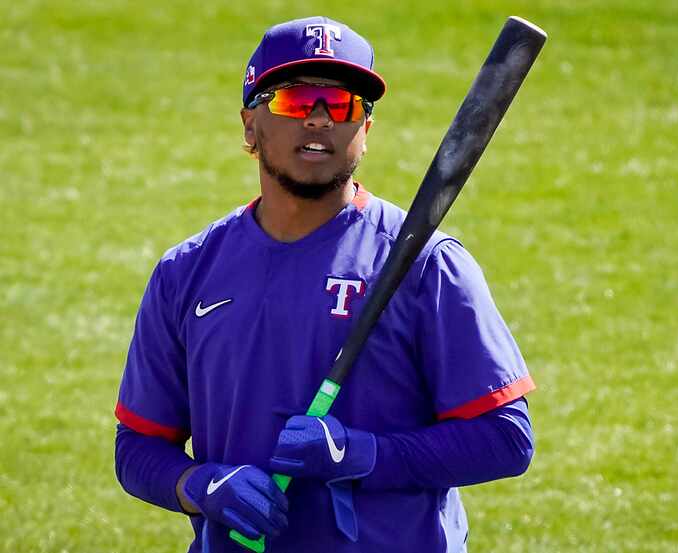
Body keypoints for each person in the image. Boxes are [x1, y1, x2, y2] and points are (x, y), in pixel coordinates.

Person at [114, 16, 536, 553]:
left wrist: (363, 454)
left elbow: (505, 438)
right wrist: (198, 485)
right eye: (294, 101)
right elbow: (138, 446)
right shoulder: (187, 272)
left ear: (366, 130)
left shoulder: (426, 265)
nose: (318, 120)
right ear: (250, 125)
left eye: (342, 105)